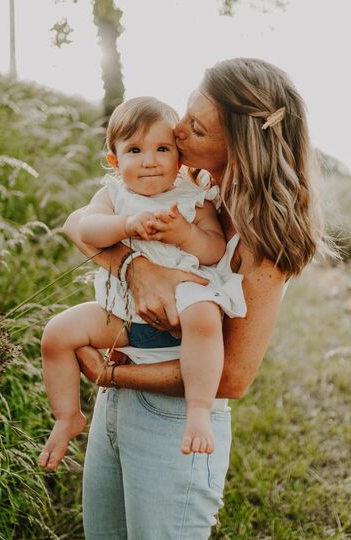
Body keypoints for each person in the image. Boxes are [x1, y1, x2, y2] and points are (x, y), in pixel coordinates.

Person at [63, 58, 331, 539]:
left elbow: (231, 376)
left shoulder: (263, 243)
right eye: (186, 113)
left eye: (197, 128)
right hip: (115, 404)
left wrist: (111, 373)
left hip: (174, 422)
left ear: (239, 148)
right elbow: (75, 226)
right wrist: (136, 267)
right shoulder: (185, 184)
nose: (178, 132)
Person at [38, 96, 247, 471]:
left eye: (162, 148)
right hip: (121, 314)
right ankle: (67, 416)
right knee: (56, 333)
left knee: (205, 316)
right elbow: (86, 227)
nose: (149, 160)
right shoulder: (114, 194)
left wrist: (185, 234)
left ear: (179, 158)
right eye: (134, 150)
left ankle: (198, 409)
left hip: (183, 302)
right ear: (115, 161)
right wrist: (125, 225)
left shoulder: (193, 199)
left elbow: (215, 250)